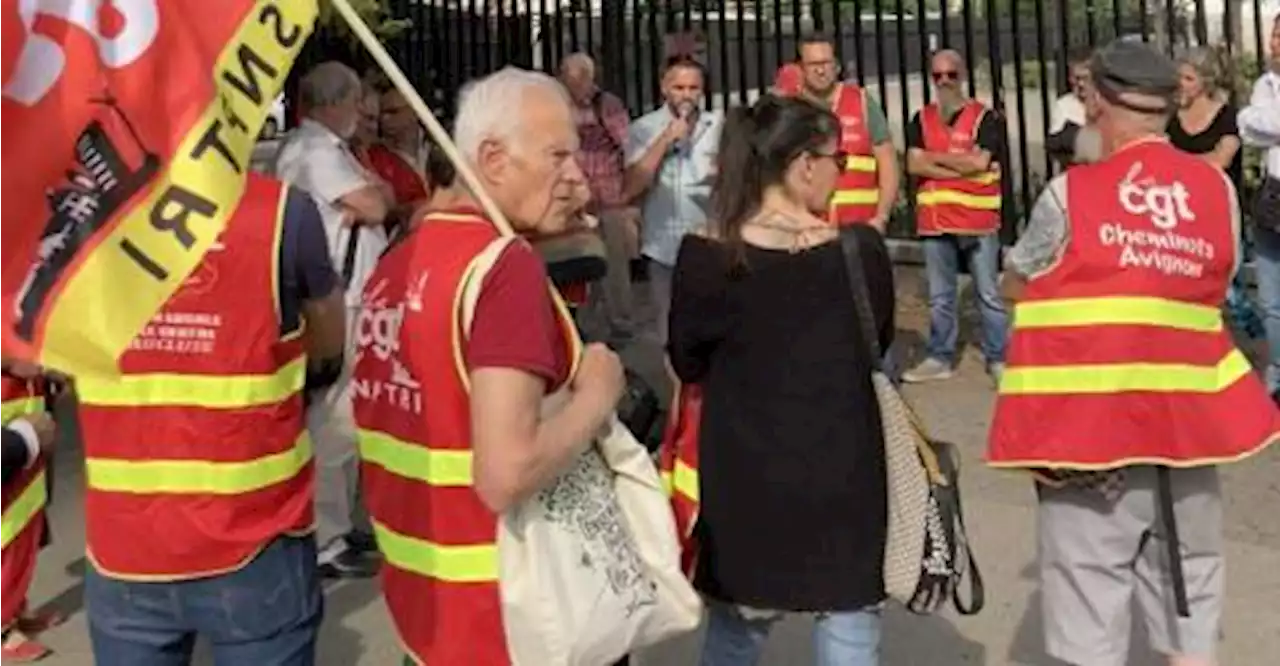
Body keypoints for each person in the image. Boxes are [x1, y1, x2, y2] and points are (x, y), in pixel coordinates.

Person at [989, 40, 1280, 666]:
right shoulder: (1215, 193)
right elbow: (1213, 278)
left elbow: (1016, 281)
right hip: (1188, 430)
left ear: (1099, 105)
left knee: (1089, 610)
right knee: (1189, 599)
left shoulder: (1071, 195)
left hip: (1089, 437)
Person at [352, 67, 625, 666]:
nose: (575, 175)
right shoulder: (503, 269)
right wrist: (598, 394)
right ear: (494, 159)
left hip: (422, 607)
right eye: (558, 155)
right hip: (510, 618)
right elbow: (506, 472)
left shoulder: (401, 261)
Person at [73, 172, 347, 665]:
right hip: (257, 540)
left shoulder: (80, 215)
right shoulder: (286, 213)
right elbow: (329, 345)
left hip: (125, 545)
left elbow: (42, 351)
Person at [668, 94, 894, 666]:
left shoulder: (707, 258)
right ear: (803, 164)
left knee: (736, 634)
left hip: (746, 478)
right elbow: (878, 343)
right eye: (836, 159)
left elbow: (686, 362)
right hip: (845, 478)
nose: (842, 173)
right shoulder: (859, 252)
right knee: (849, 629)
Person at [275, 60, 390, 578]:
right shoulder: (316, 151)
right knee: (336, 420)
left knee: (345, 414)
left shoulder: (322, 149)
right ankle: (327, 536)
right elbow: (375, 202)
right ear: (333, 102)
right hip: (338, 301)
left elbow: (376, 202)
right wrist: (367, 201)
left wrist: (370, 201)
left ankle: (340, 523)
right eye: (354, 101)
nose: (361, 110)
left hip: (347, 296)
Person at [902, 49, 1008, 384]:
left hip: (977, 220)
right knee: (940, 296)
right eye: (938, 76)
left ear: (962, 75)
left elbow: (981, 163)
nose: (945, 82)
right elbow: (913, 164)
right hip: (935, 219)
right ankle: (940, 357)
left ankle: (999, 357)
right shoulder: (921, 119)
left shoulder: (985, 118)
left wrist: (936, 164)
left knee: (989, 294)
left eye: (951, 74)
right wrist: (960, 165)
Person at [624, 55, 723, 344]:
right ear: (664, 88)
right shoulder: (643, 128)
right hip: (663, 246)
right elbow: (631, 185)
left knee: (710, 326)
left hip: (708, 242)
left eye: (693, 88)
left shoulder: (717, 126)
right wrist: (665, 140)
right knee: (670, 329)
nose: (686, 96)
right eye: (679, 88)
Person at [1170, 47, 1262, 339]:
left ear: (1205, 82)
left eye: (1188, 78)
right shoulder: (1171, 116)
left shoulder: (1226, 116)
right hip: (1178, 211)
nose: (1180, 84)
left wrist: (1177, 162)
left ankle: (1259, 340)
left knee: (1230, 289)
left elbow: (1220, 161)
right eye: (1178, 77)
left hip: (1218, 211)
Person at [559, 52, 638, 344]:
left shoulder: (607, 105)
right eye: (569, 78)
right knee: (581, 265)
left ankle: (621, 324)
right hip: (573, 200)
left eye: (580, 78)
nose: (575, 84)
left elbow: (627, 145)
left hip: (607, 197)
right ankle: (583, 326)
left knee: (614, 265)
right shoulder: (559, 105)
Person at [796, 34, 898, 231]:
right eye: (812, 64)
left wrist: (881, 217)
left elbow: (888, 164)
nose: (820, 70)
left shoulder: (861, 102)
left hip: (860, 228)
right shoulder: (792, 110)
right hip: (808, 231)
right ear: (801, 68)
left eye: (825, 62)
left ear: (837, 66)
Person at [0, 362, 58, 662]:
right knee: (5, 545)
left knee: (23, 541)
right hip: (9, 444)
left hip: (26, 438)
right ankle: (2, 629)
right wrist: (11, 360)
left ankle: (16, 610)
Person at [1239, 15, 1280, 393]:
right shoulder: (1265, 84)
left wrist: (1266, 123)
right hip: (1272, 194)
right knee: (1270, 299)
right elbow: (1247, 127)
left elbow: (1263, 124)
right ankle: (1276, 376)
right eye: (1273, 36)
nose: (1274, 44)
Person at [1046, 46, 1103, 165]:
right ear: (1070, 78)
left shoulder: (1106, 101)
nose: (1081, 84)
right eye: (1077, 78)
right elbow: (1055, 145)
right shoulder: (1064, 106)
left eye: (1085, 78)